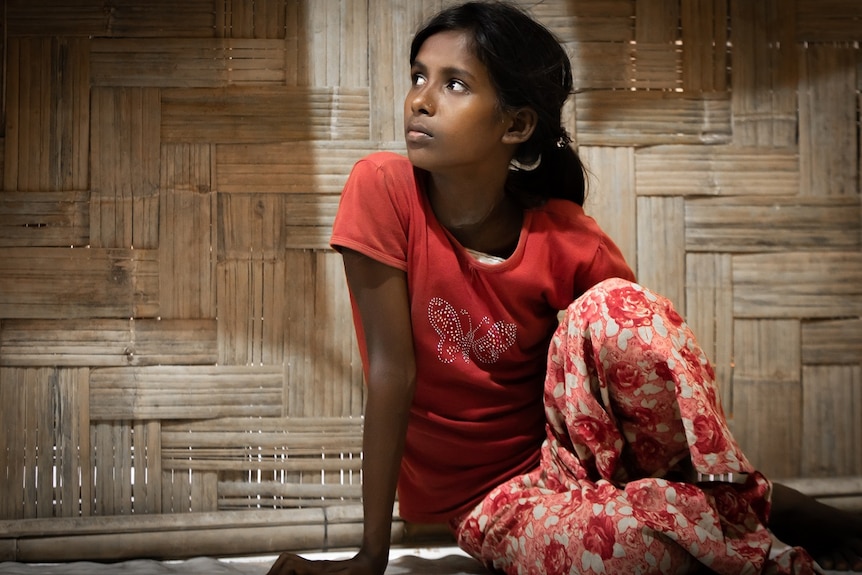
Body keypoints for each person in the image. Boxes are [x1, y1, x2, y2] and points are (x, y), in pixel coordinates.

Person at [267, 2, 862, 574]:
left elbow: (638, 368)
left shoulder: (568, 237)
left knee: (622, 310)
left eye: (454, 84)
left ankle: (763, 510)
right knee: (626, 553)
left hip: (583, 454)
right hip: (494, 501)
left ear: (517, 124)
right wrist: (370, 557)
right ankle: (759, 514)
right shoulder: (383, 190)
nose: (419, 99)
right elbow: (391, 371)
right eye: (419, 76)